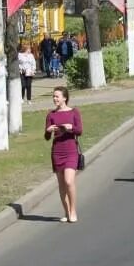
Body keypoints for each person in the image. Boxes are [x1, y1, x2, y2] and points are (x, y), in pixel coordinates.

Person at [44, 86, 82, 223]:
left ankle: (73, 210)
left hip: (71, 151)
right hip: (57, 152)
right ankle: (66, 212)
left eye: (57, 96)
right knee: (61, 185)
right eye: (53, 96)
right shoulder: (51, 114)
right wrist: (49, 130)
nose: (55, 99)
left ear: (64, 98)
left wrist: (70, 128)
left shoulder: (74, 112)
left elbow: (79, 131)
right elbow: (47, 137)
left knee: (69, 181)